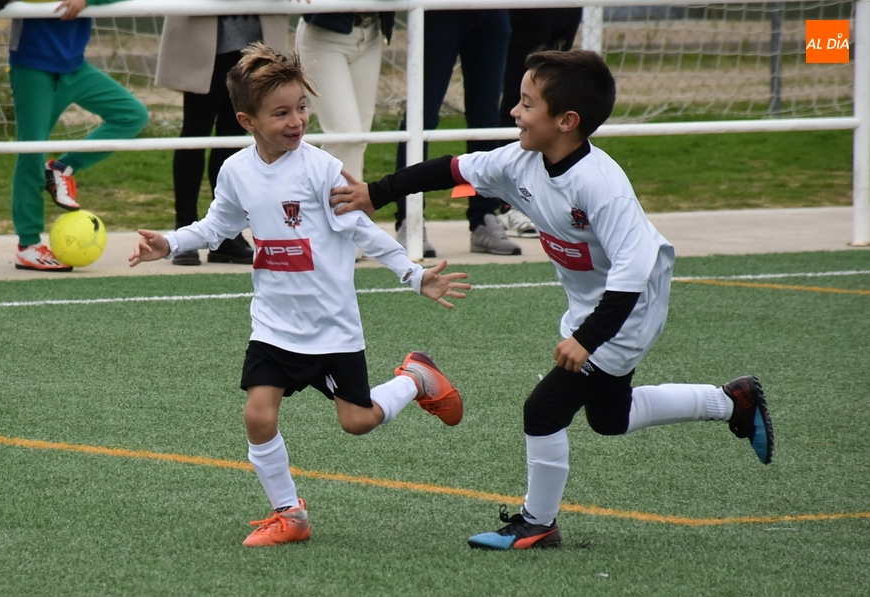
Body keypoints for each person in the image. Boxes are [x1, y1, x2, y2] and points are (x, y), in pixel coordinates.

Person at [330, 49, 775, 550]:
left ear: (566, 121)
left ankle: (537, 523)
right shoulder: (519, 160)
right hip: (595, 307)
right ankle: (732, 401)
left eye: (526, 103)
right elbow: (448, 170)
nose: (515, 113)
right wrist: (375, 192)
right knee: (611, 419)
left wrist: (587, 339)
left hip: (630, 307)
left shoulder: (601, 186)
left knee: (542, 410)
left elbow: (633, 271)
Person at [129, 43, 471, 548]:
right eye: (281, 113)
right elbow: (217, 224)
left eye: (301, 108)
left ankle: (415, 379)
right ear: (247, 120)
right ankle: (290, 513)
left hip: (332, 329)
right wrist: (171, 242)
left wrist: (412, 273)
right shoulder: (236, 171)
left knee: (357, 422)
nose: (297, 121)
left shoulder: (320, 169)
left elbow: (362, 230)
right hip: (274, 325)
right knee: (257, 414)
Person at [9, 0, 149, 271]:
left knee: (133, 114)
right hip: (33, 65)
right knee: (31, 151)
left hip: (75, 67)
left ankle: (62, 167)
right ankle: (28, 245)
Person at [155, 14, 288, 266]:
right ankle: (185, 230)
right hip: (204, 37)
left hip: (255, 45)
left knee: (233, 137)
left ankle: (227, 236)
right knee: (194, 134)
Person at [393, 9, 521, 258]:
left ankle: (484, 216)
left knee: (486, 119)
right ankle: (410, 219)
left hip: (491, 9)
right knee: (421, 117)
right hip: (439, 9)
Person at [295, 10, 395, 262]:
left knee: (357, 138)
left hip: (370, 29)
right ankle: (333, 230)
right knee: (345, 135)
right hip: (323, 34)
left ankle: (350, 224)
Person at [496, 7, 583, 239]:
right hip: (528, 9)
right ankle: (511, 204)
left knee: (557, 94)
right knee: (521, 98)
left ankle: (552, 195)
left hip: (566, 8)